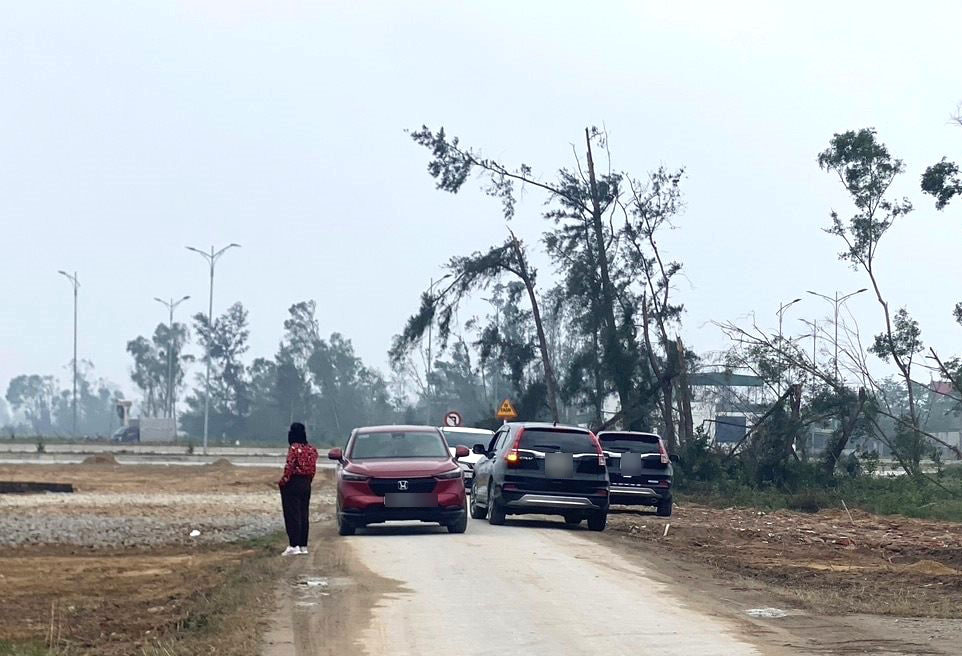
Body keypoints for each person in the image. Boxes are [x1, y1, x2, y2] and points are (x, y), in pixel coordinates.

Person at [278, 422, 318, 556]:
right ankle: (303, 545)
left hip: (293, 483)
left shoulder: (294, 448)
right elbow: (313, 469)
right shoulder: (312, 449)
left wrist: (283, 481)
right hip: (306, 483)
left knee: (292, 514)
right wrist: (308, 481)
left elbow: (289, 466)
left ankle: (293, 544)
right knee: (303, 514)